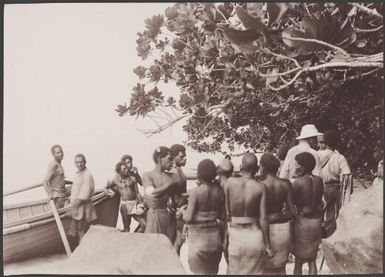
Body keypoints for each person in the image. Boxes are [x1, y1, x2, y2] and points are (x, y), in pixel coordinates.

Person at [225, 153, 274, 274]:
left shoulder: (230, 183)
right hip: (254, 236)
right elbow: (263, 218)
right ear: (257, 169)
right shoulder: (261, 187)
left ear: (241, 167)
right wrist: (268, 245)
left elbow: (227, 213)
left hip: (235, 235)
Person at [179, 159, 225, 274]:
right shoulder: (220, 191)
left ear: (199, 174)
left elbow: (188, 218)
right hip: (215, 238)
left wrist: (182, 211)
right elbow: (222, 215)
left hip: (198, 239)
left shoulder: (196, 193)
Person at [260, 153, 296, 275]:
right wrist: (279, 216)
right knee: (281, 268)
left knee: (264, 268)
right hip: (282, 230)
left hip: (264, 230)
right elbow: (293, 212)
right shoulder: (285, 184)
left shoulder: (259, 185)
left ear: (263, 168)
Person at [292, 152, 324, 275]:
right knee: (312, 259)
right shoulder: (319, 180)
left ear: (303, 167)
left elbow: (293, 202)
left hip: (303, 222)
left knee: (298, 260)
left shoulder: (298, 182)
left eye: (297, 164)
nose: (295, 167)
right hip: (317, 221)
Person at [318, 130, 351, 238]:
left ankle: (318, 234)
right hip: (333, 187)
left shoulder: (317, 155)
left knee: (318, 211)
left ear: (325, 142)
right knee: (331, 213)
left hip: (318, 186)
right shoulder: (340, 157)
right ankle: (328, 235)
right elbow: (347, 174)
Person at [142, 146, 178, 243]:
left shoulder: (169, 176)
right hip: (154, 215)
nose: (170, 162)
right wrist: (170, 183)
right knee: (152, 245)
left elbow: (176, 196)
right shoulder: (148, 175)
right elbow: (151, 194)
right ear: (159, 158)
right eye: (169, 159)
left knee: (168, 246)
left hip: (168, 216)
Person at [106, 161, 146, 232]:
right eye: (123, 169)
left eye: (126, 168)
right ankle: (129, 239)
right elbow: (107, 187)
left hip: (134, 204)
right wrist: (106, 191)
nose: (126, 170)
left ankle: (135, 235)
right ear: (119, 171)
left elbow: (137, 192)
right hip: (124, 205)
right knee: (126, 228)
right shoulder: (116, 180)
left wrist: (141, 203)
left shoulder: (132, 178)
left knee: (144, 224)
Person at [68, 154, 97, 244]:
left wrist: (72, 208)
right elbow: (76, 189)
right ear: (74, 163)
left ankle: (82, 252)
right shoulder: (78, 174)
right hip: (78, 207)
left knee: (82, 231)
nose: (79, 164)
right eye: (77, 162)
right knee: (79, 231)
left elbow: (84, 194)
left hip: (83, 208)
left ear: (85, 162)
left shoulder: (87, 175)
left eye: (81, 162)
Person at [168, 144, 188, 255]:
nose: (185, 158)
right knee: (176, 242)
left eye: (185, 156)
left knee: (178, 242)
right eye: (181, 157)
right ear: (173, 157)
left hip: (181, 208)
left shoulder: (178, 170)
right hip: (176, 211)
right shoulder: (173, 171)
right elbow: (172, 193)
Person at [216, 158, 234, 265]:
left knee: (218, 255)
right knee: (228, 254)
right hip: (229, 221)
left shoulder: (217, 185)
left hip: (220, 220)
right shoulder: (233, 185)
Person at [43, 144, 67, 208]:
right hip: (59, 196)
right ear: (53, 155)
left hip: (62, 192)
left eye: (61, 151)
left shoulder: (58, 164)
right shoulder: (54, 165)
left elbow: (59, 180)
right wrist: (50, 195)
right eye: (58, 153)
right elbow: (45, 181)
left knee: (76, 186)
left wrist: (73, 182)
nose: (61, 153)